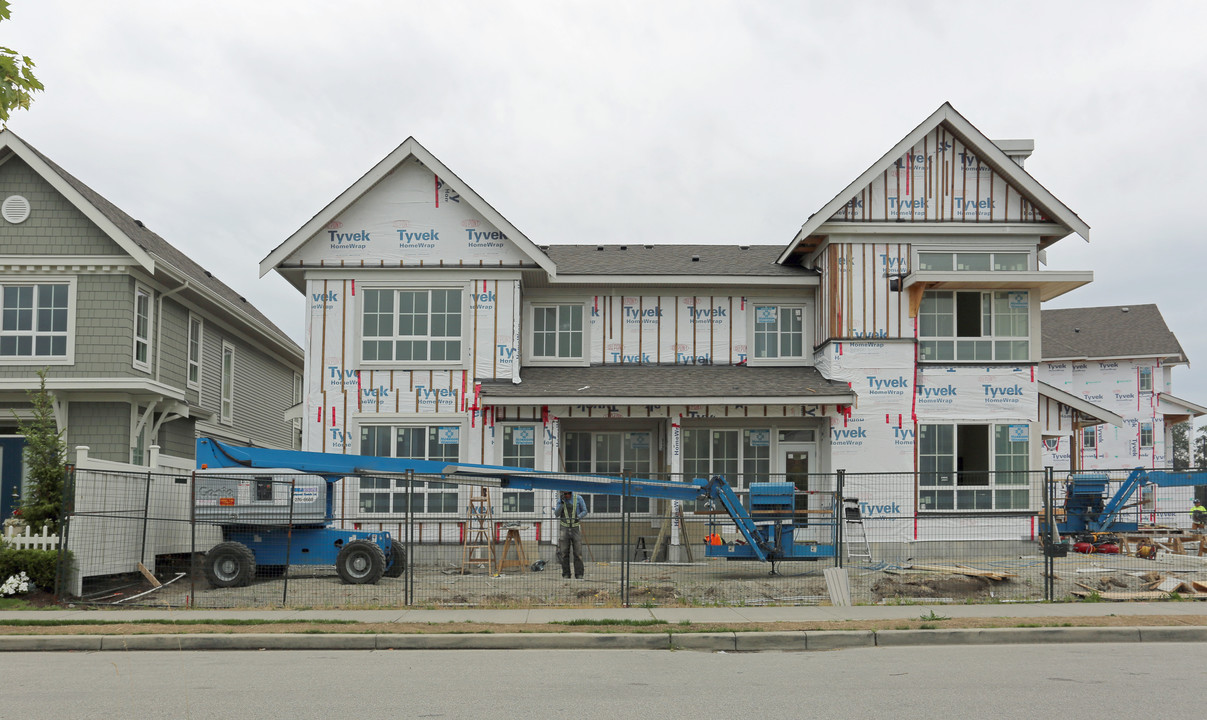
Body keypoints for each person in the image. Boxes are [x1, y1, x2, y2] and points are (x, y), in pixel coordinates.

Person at [553, 490, 588, 579]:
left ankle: (579, 574)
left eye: (569, 493)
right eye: (565, 494)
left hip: (575, 528)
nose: (567, 495)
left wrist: (578, 517)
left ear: (571, 493)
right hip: (564, 528)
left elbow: (585, 511)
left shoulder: (578, 498)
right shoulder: (560, 501)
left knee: (578, 553)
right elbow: (556, 514)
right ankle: (566, 574)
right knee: (564, 553)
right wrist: (561, 503)